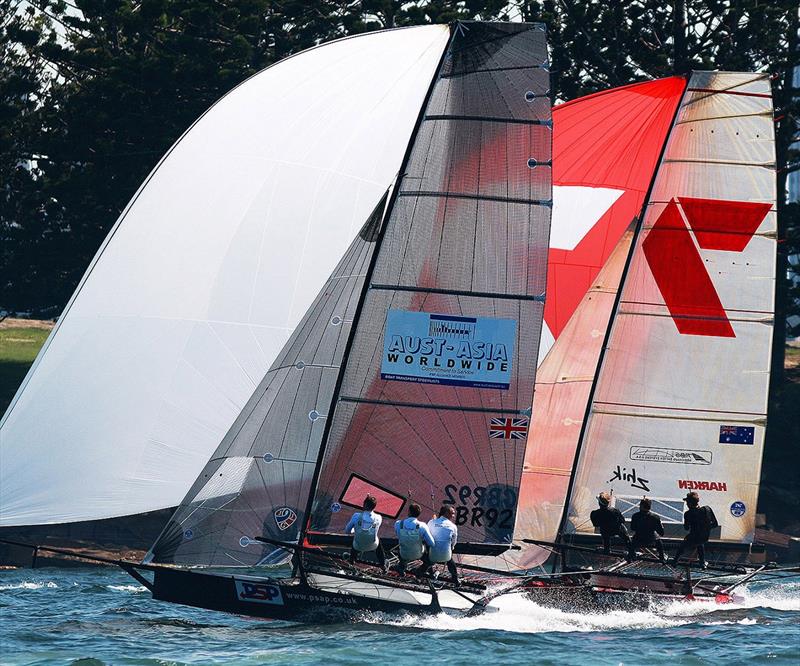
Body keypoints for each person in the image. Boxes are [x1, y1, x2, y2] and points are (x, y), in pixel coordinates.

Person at [671, 491, 718, 569]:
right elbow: (715, 524)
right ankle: (702, 562)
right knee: (700, 542)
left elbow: (686, 528)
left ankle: (675, 561)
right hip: (705, 537)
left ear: (689, 503)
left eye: (687, 502)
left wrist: (687, 522)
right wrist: (706, 528)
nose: (686, 504)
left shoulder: (688, 514)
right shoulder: (707, 509)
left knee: (684, 543)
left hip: (693, 539)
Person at [416, 505, 459, 586]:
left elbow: (426, 536)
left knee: (428, 561)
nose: (454, 516)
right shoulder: (453, 526)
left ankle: (418, 576)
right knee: (451, 563)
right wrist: (451, 548)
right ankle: (455, 579)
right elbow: (454, 542)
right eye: (452, 513)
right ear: (446, 513)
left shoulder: (431, 522)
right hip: (446, 555)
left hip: (432, 555)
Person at [345, 495, 387, 571]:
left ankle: (351, 560)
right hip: (373, 546)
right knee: (377, 540)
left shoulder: (356, 516)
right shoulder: (379, 517)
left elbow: (347, 531)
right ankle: (383, 564)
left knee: (357, 537)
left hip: (358, 546)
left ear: (364, 505)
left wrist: (355, 530)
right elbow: (373, 528)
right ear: (374, 507)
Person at [394, 502, 434, 575]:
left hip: (403, 554)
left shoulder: (398, 523)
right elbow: (432, 543)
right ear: (419, 514)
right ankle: (421, 571)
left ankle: (402, 567)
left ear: (409, 512)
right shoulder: (422, 526)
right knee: (430, 559)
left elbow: (398, 535)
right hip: (418, 554)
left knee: (403, 546)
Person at [590, 491, 631, 555]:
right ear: (608, 503)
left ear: (599, 503)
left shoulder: (594, 513)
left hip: (605, 532)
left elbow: (595, 524)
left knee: (604, 531)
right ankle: (631, 549)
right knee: (622, 528)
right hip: (617, 530)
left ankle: (607, 549)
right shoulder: (615, 511)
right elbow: (622, 520)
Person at [627, 497, 665, 563]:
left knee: (631, 541)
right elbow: (661, 532)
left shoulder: (635, 516)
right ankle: (662, 557)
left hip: (638, 539)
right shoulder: (655, 517)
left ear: (641, 506)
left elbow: (632, 528)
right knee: (659, 541)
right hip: (651, 539)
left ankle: (631, 555)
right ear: (649, 507)